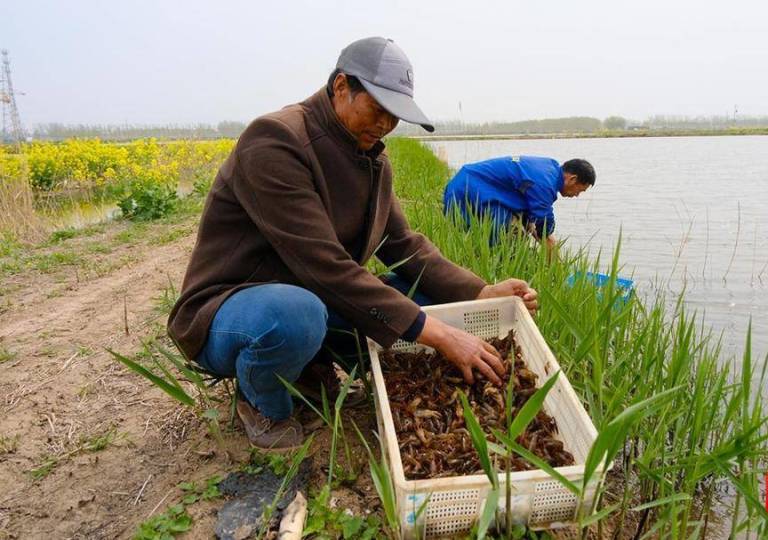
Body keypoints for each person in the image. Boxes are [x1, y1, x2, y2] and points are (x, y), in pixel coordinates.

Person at [167, 37, 538, 451]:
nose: (384, 125)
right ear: (342, 87)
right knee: (298, 314)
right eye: (377, 109)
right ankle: (260, 399)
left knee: (419, 296)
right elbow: (324, 267)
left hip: (316, 297)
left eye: (394, 116)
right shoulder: (275, 141)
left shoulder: (371, 157)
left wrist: (481, 291)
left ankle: (310, 367)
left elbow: (403, 244)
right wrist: (438, 335)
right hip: (235, 309)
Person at [442, 156, 596, 250]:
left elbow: (531, 213)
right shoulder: (545, 181)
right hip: (470, 190)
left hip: (468, 186)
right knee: (508, 243)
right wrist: (552, 250)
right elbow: (544, 223)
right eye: (579, 190)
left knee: (516, 233)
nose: (576, 195)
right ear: (572, 179)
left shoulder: (549, 169)